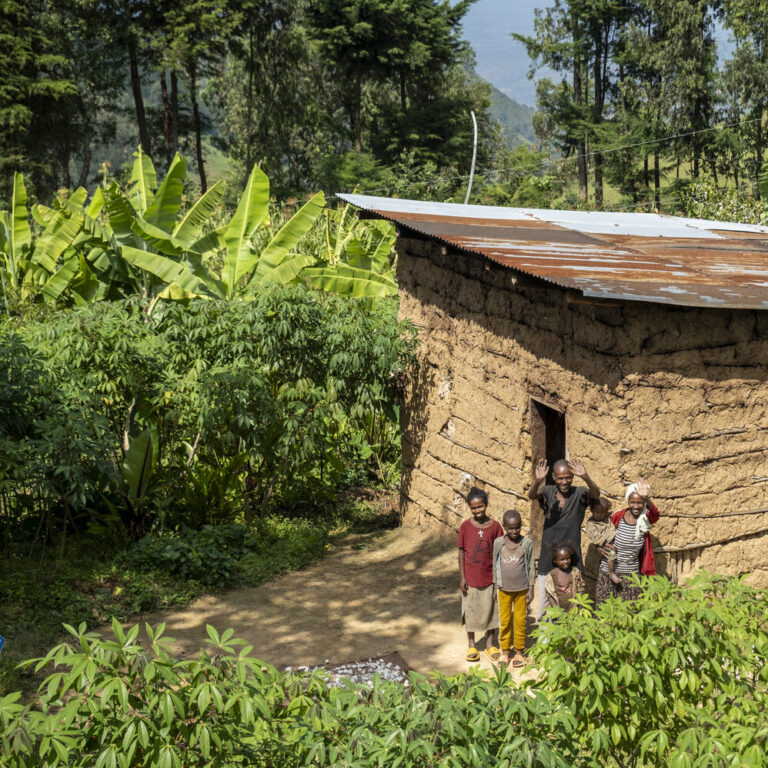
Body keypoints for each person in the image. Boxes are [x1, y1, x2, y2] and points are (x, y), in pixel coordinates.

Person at [528, 458, 600, 618]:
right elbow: (532, 495)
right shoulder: (548, 492)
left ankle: (570, 640)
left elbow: (596, 494)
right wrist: (537, 481)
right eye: (560, 478)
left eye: (568, 477)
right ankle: (546, 641)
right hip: (548, 556)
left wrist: (586, 476)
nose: (564, 481)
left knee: (574, 603)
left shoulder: (580, 493)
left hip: (572, 556)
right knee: (545, 606)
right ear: (553, 477)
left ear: (572, 477)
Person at [594, 479, 660, 605]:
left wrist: (647, 498)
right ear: (628, 501)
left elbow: (656, 514)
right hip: (607, 572)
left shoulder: (644, 520)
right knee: (605, 610)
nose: (636, 506)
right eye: (632, 502)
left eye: (640, 502)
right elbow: (599, 531)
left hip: (631, 573)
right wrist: (598, 546)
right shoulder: (617, 517)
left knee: (629, 611)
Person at [458, 487, 504, 662]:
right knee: (470, 610)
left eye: (481, 506)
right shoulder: (465, 527)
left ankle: (490, 643)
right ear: (470, 508)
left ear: (486, 505)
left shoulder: (496, 527)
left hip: (489, 577)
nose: (478, 511)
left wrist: (497, 579)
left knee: (491, 610)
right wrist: (462, 577)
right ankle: (472, 645)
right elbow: (461, 551)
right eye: (474, 508)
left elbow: (499, 553)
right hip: (470, 577)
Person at [492, 510, 535, 668]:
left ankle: (518, 652)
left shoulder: (527, 543)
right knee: (504, 621)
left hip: (522, 589)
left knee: (520, 621)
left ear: (521, 526)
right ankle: (505, 652)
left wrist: (531, 588)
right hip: (503, 589)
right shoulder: (498, 543)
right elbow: (494, 565)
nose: (514, 531)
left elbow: (530, 566)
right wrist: (494, 587)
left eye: (517, 528)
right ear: (504, 527)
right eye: (510, 528)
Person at [584, 497, 621, 585]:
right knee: (610, 554)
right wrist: (609, 546)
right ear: (592, 511)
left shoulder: (606, 517)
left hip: (611, 541)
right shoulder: (591, 524)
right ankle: (611, 573)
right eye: (597, 512)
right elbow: (598, 539)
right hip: (604, 545)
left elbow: (615, 513)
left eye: (602, 512)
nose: (599, 515)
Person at [544, 540, 586, 613]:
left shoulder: (575, 572)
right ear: (555, 560)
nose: (565, 561)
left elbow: (581, 589)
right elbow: (550, 595)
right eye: (562, 559)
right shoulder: (551, 575)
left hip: (574, 610)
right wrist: (557, 611)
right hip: (558, 611)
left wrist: (577, 605)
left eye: (567, 558)